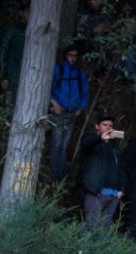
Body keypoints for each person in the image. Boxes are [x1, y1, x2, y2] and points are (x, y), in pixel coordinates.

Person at [49, 45, 90, 183]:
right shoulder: (58, 69)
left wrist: (81, 108)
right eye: (70, 55)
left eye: (75, 56)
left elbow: (85, 92)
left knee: (64, 145)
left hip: (72, 114)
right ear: (65, 55)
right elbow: (48, 87)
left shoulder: (79, 74)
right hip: (58, 113)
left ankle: (60, 176)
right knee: (56, 144)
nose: (72, 58)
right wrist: (53, 103)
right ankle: (54, 175)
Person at [78, 112, 126, 231]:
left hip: (114, 194)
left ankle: (99, 250)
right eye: (105, 125)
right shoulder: (92, 142)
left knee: (105, 228)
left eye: (110, 125)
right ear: (97, 126)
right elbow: (85, 142)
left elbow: (122, 168)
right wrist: (100, 138)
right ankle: (83, 250)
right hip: (96, 192)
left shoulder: (115, 146)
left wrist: (122, 189)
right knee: (90, 226)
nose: (108, 127)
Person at [0, 6, 28, 105]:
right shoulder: (13, 29)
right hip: (12, 76)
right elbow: (3, 52)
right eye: (27, 12)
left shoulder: (32, 30)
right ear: (22, 13)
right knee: (10, 106)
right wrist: (3, 77)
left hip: (28, 77)